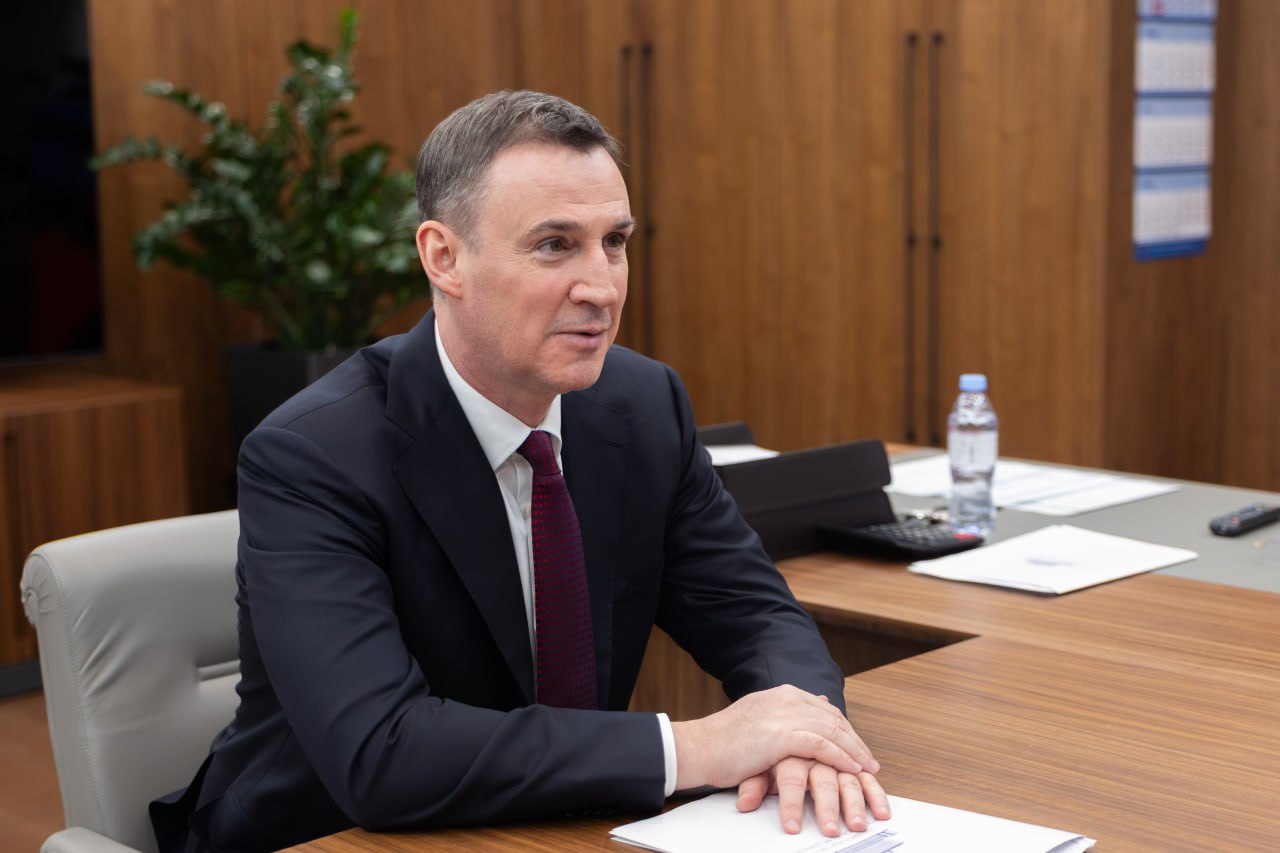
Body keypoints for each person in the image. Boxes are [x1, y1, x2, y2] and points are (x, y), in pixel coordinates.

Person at [151, 90, 890, 852]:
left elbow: (757, 615)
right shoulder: (312, 456)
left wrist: (804, 730)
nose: (602, 287)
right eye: (555, 245)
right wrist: (698, 746)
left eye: (615, 241)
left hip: (556, 826)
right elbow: (383, 752)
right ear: (444, 258)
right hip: (327, 836)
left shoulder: (642, 406)